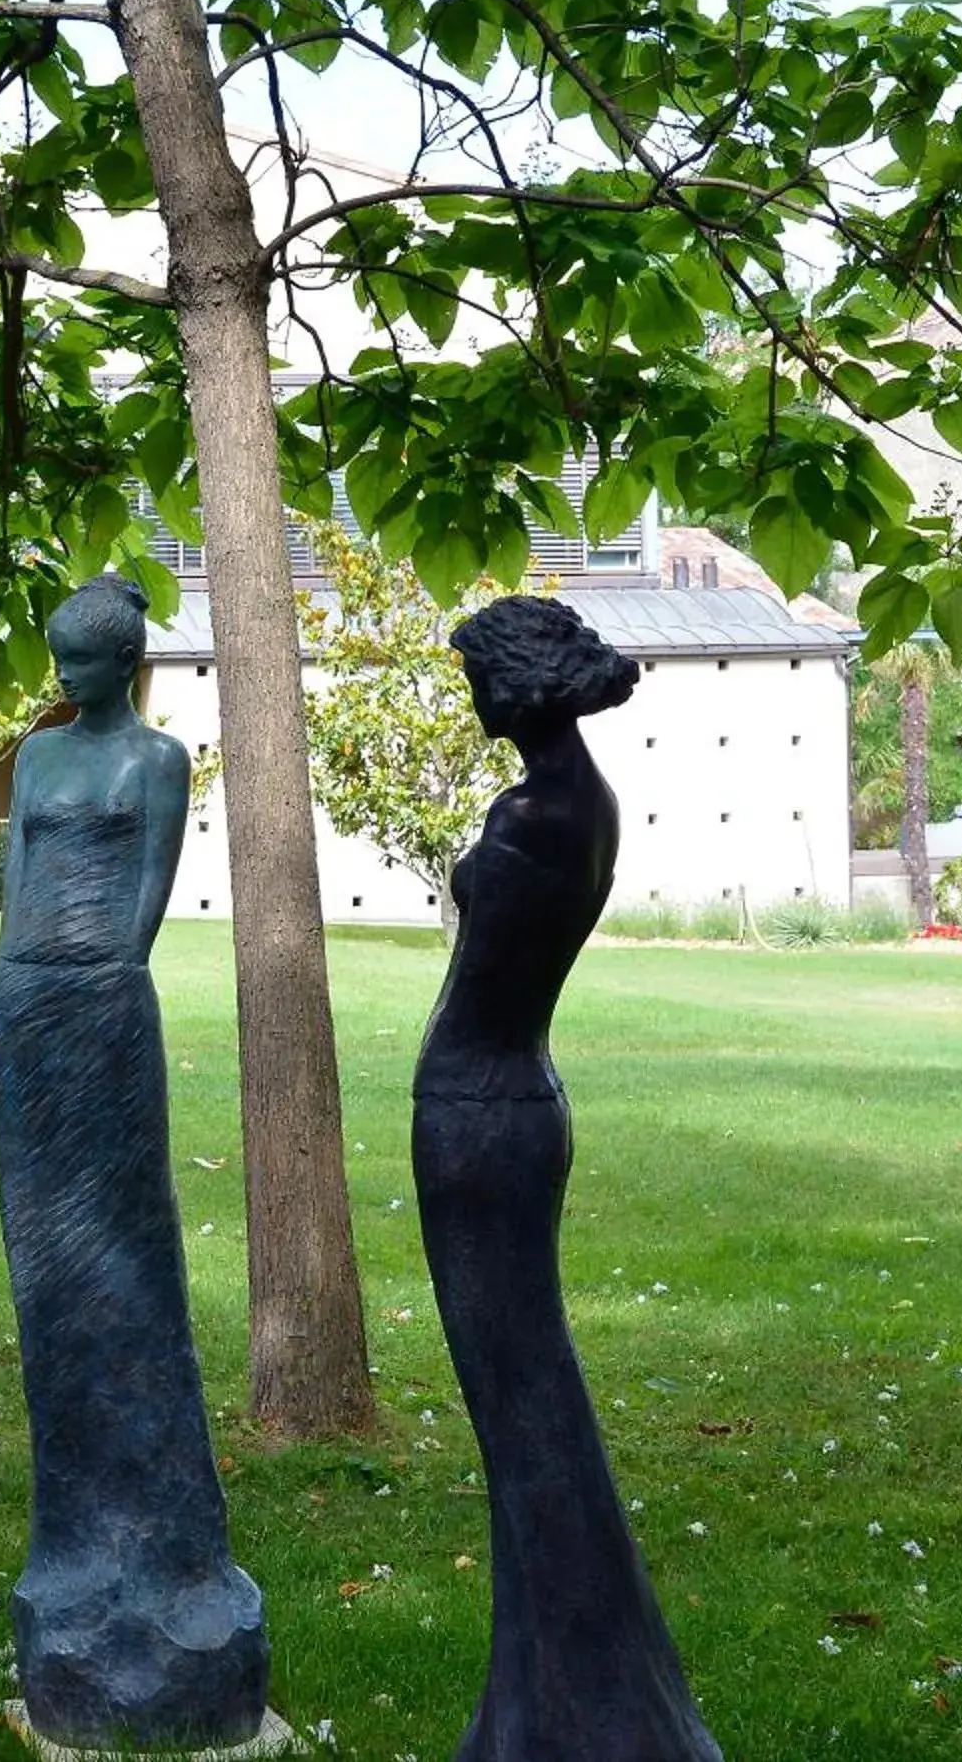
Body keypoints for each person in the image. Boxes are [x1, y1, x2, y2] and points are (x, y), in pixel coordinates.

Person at [414, 594, 719, 1762]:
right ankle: (539, 1709)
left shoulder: (536, 815)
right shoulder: (583, 801)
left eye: (480, 676)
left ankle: (591, 1720)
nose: (474, 697)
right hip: (509, 1104)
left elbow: (485, 952)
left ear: (520, 682)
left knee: (528, 1418)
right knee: (523, 1417)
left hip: (480, 1113)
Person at [0, 573, 269, 1750]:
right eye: (54, 660)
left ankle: (162, 1543)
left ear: (124, 662)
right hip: (26, 1005)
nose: (62, 680)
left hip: (104, 1007)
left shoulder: (156, 762)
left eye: (78, 662)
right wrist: (21, 987)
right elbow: (13, 890)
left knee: (128, 1265)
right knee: (50, 1277)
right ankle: (75, 1538)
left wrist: (96, 979)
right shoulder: (37, 762)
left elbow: (147, 894)